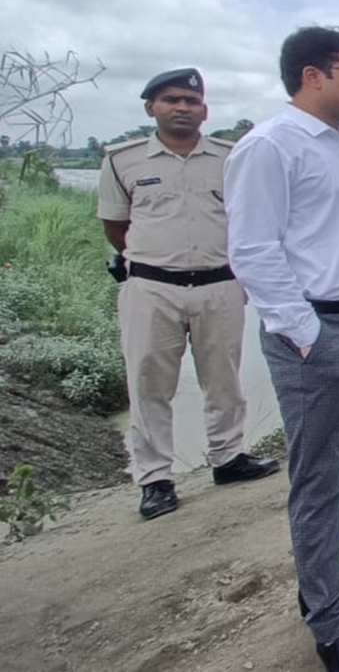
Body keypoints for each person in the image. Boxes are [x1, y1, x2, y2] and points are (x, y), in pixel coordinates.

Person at [224, 27, 339, 672]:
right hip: (316, 334)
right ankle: (331, 625)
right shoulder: (269, 148)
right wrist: (303, 332)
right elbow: (252, 250)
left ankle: (327, 578)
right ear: (313, 75)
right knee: (316, 478)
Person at [97, 68, 280, 520]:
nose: (182, 107)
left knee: (224, 378)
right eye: (171, 100)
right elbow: (116, 226)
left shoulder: (229, 156)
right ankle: (156, 478)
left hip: (219, 282)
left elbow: (247, 218)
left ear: (205, 110)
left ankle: (228, 457)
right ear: (151, 108)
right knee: (149, 384)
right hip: (153, 287)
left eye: (191, 101)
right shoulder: (124, 160)